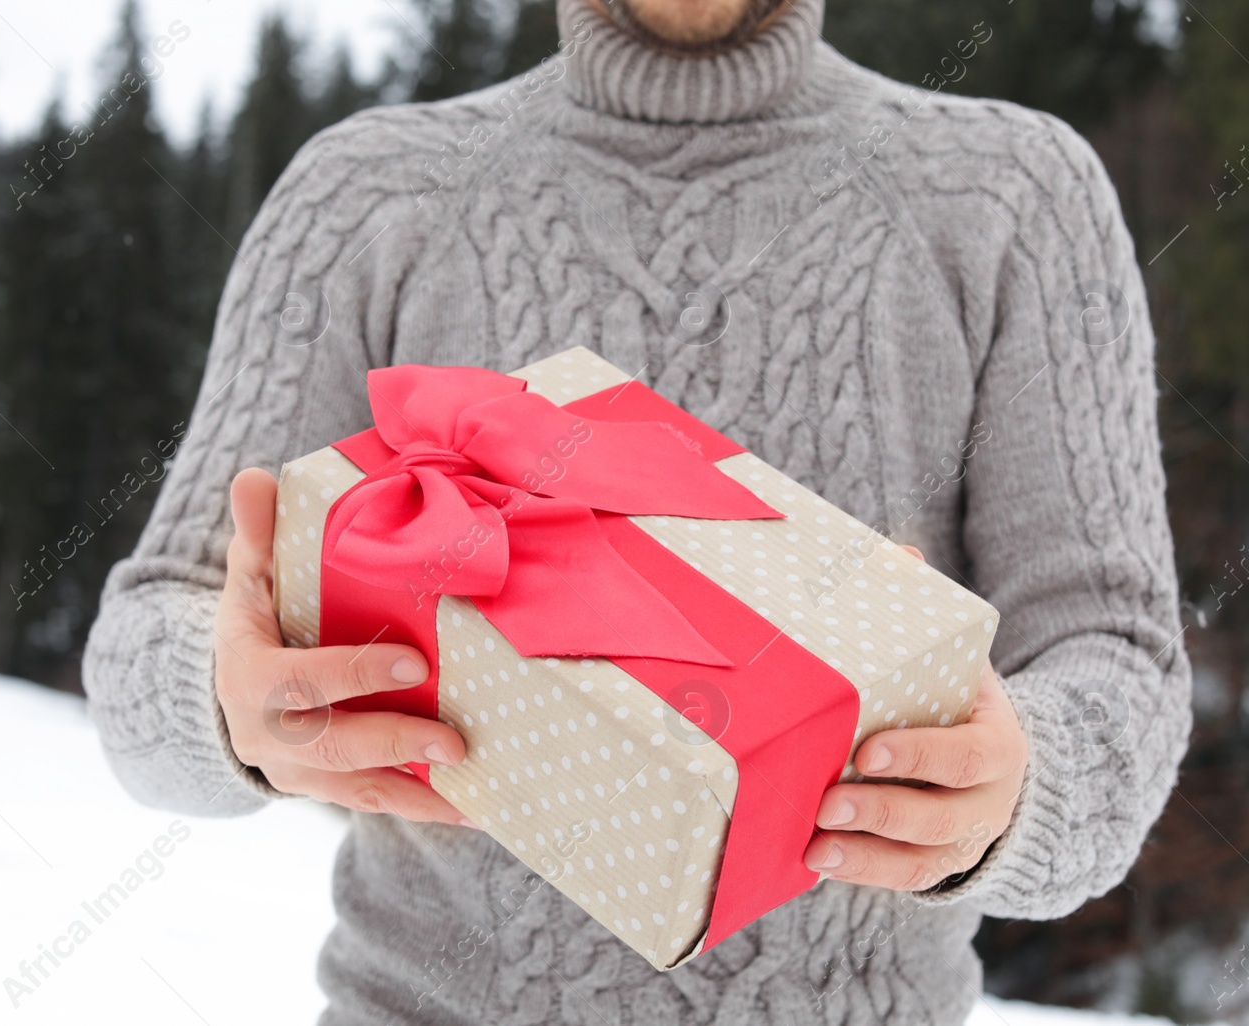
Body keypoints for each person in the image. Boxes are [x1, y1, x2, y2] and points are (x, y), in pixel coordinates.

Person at [83, 0, 1192, 1022]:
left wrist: (1017, 786)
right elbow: (152, 636)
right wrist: (224, 703)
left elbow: (1116, 657)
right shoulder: (366, 193)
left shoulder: (1011, 192)